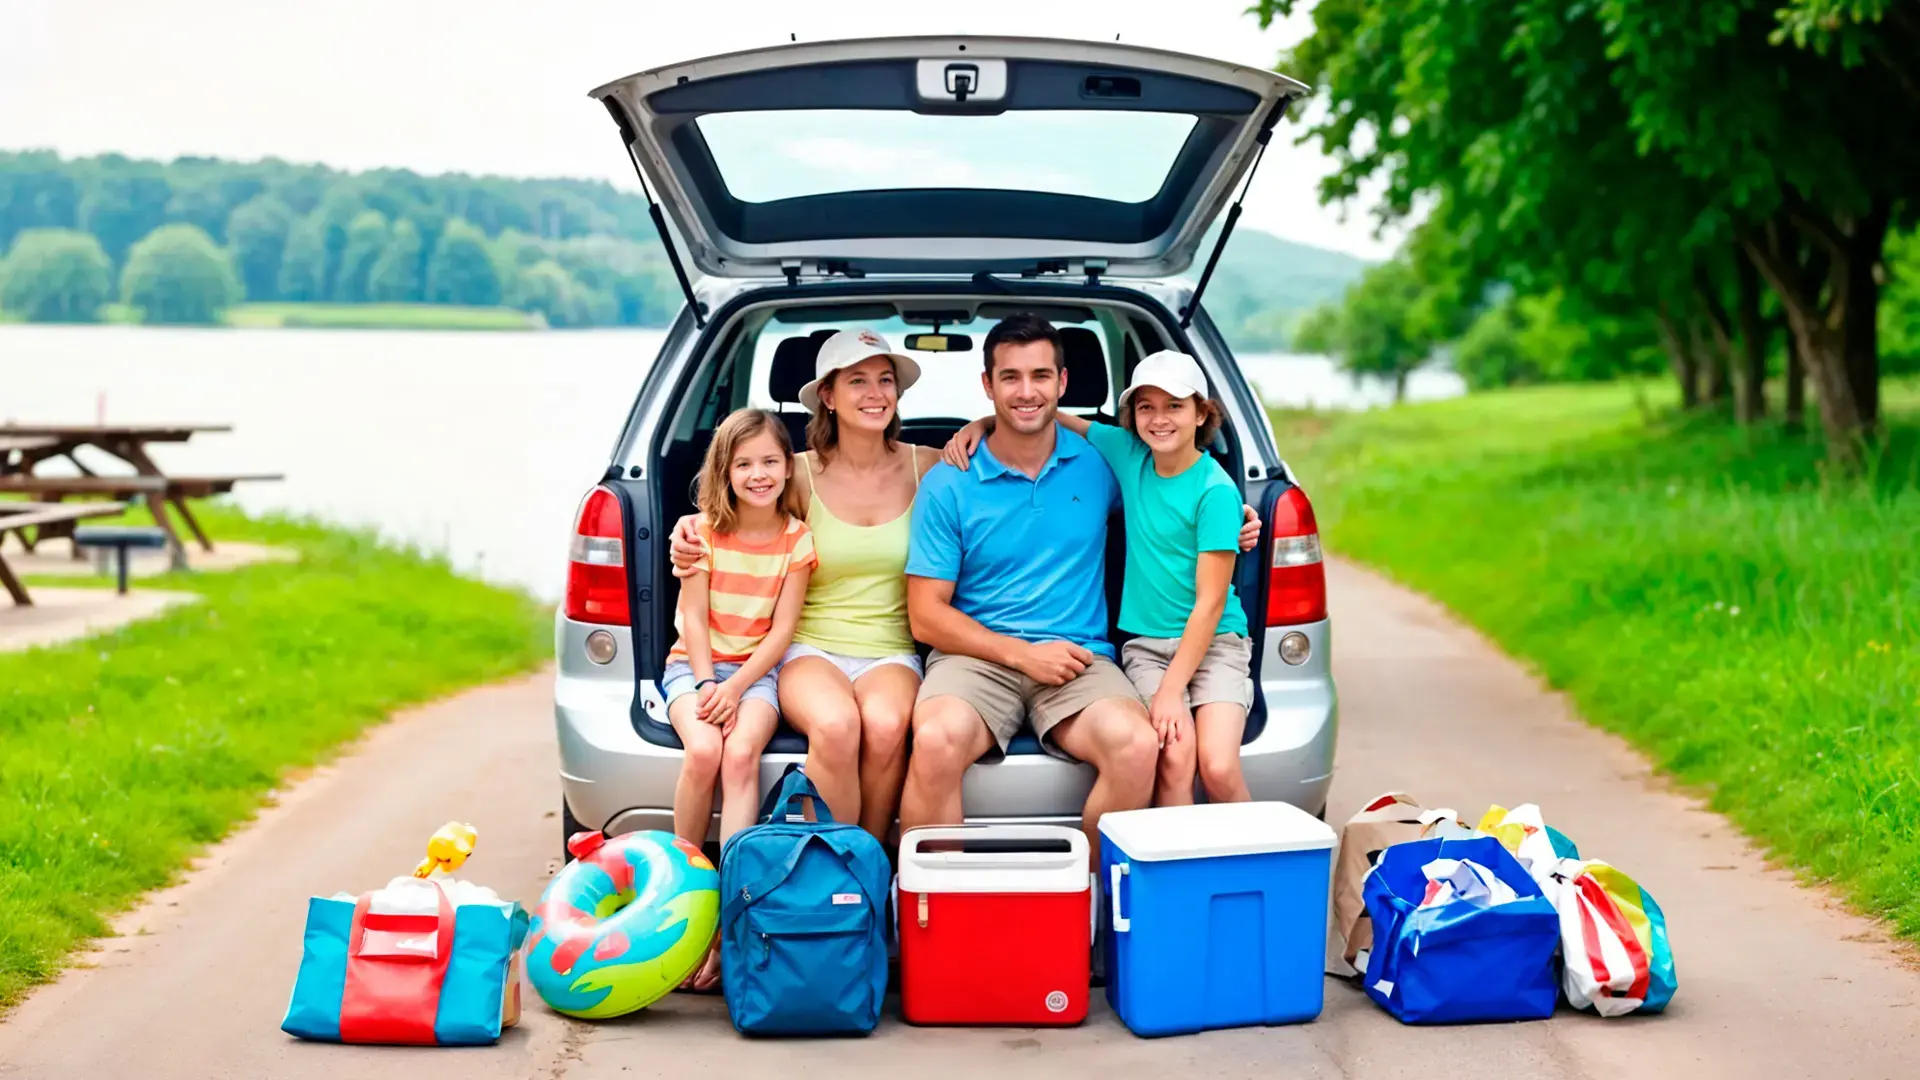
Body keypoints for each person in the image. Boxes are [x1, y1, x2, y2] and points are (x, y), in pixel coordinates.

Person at [901, 314, 1253, 863]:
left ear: (1062, 385)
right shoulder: (950, 479)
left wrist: (1239, 522)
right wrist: (1023, 655)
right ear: (987, 386)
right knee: (937, 739)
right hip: (975, 659)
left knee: (1138, 746)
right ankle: (938, 911)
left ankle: (1088, 911)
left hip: (1080, 658)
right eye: (1010, 377)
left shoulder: (1104, 462)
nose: (1026, 391)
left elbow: (1175, 497)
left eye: (1040, 376)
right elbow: (926, 616)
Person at [668, 329, 935, 841]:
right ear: (828, 397)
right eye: (857, 381)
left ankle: (867, 867)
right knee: (836, 726)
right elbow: (735, 502)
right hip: (807, 648)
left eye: (886, 380)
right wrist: (686, 526)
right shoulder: (795, 473)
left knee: (883, 728)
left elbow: (1002, 459)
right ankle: (822, 874)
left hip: (890, 650)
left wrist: (984, 423)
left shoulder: (928, 464)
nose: (875, 393)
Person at [663, 407, 815, 990]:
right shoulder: (699, 533)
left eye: (771, 462)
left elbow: (780, 633)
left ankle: (733, 913)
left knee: (739, 753)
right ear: (723, 470)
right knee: (703, 751)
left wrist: (736, 685)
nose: (758, 474)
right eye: (744, 463)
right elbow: (694, 621)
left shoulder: (796, 540)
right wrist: (708, 685)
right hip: (693, 669)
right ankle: (683, 899)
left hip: (758, 674)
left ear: (787, 468)